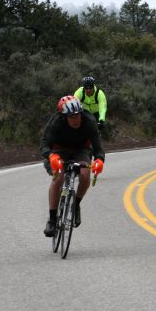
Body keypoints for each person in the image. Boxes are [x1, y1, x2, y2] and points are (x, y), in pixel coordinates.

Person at [40, 96, 105, 237]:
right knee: (58, 178)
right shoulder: (56, 122)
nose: (76, 120)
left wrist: (99, 160)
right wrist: (51, 156)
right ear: (64, 117)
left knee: (84, 174)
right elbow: (44, 144)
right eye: (71, 117)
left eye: (78, 116)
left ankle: (76, 204)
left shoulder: (89, 122)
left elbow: (98, 148)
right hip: (58, 150)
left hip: (81, 149)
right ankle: (52, 220)